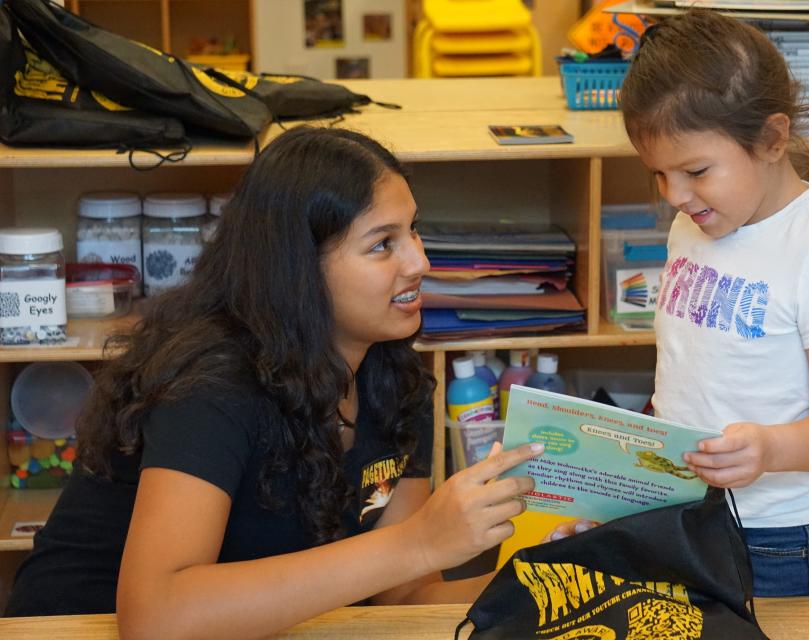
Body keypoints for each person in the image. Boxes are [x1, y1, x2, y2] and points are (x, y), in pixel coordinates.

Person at [3, 127, 553, 636]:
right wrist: (419, 542)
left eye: (413, 230)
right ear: (299, 268)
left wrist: (548, 581)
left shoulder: (396, 378)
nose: (420, 261)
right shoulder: (211, 387)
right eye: (383, 244)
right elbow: (155, 616)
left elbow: (401, 594)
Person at [620, 10, 809, 596]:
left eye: (695, 171)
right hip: (689, 510)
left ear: (772, 138)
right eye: (658, 174)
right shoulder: (694, 224)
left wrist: (770, 447)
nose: (676, 196)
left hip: (785, 537)